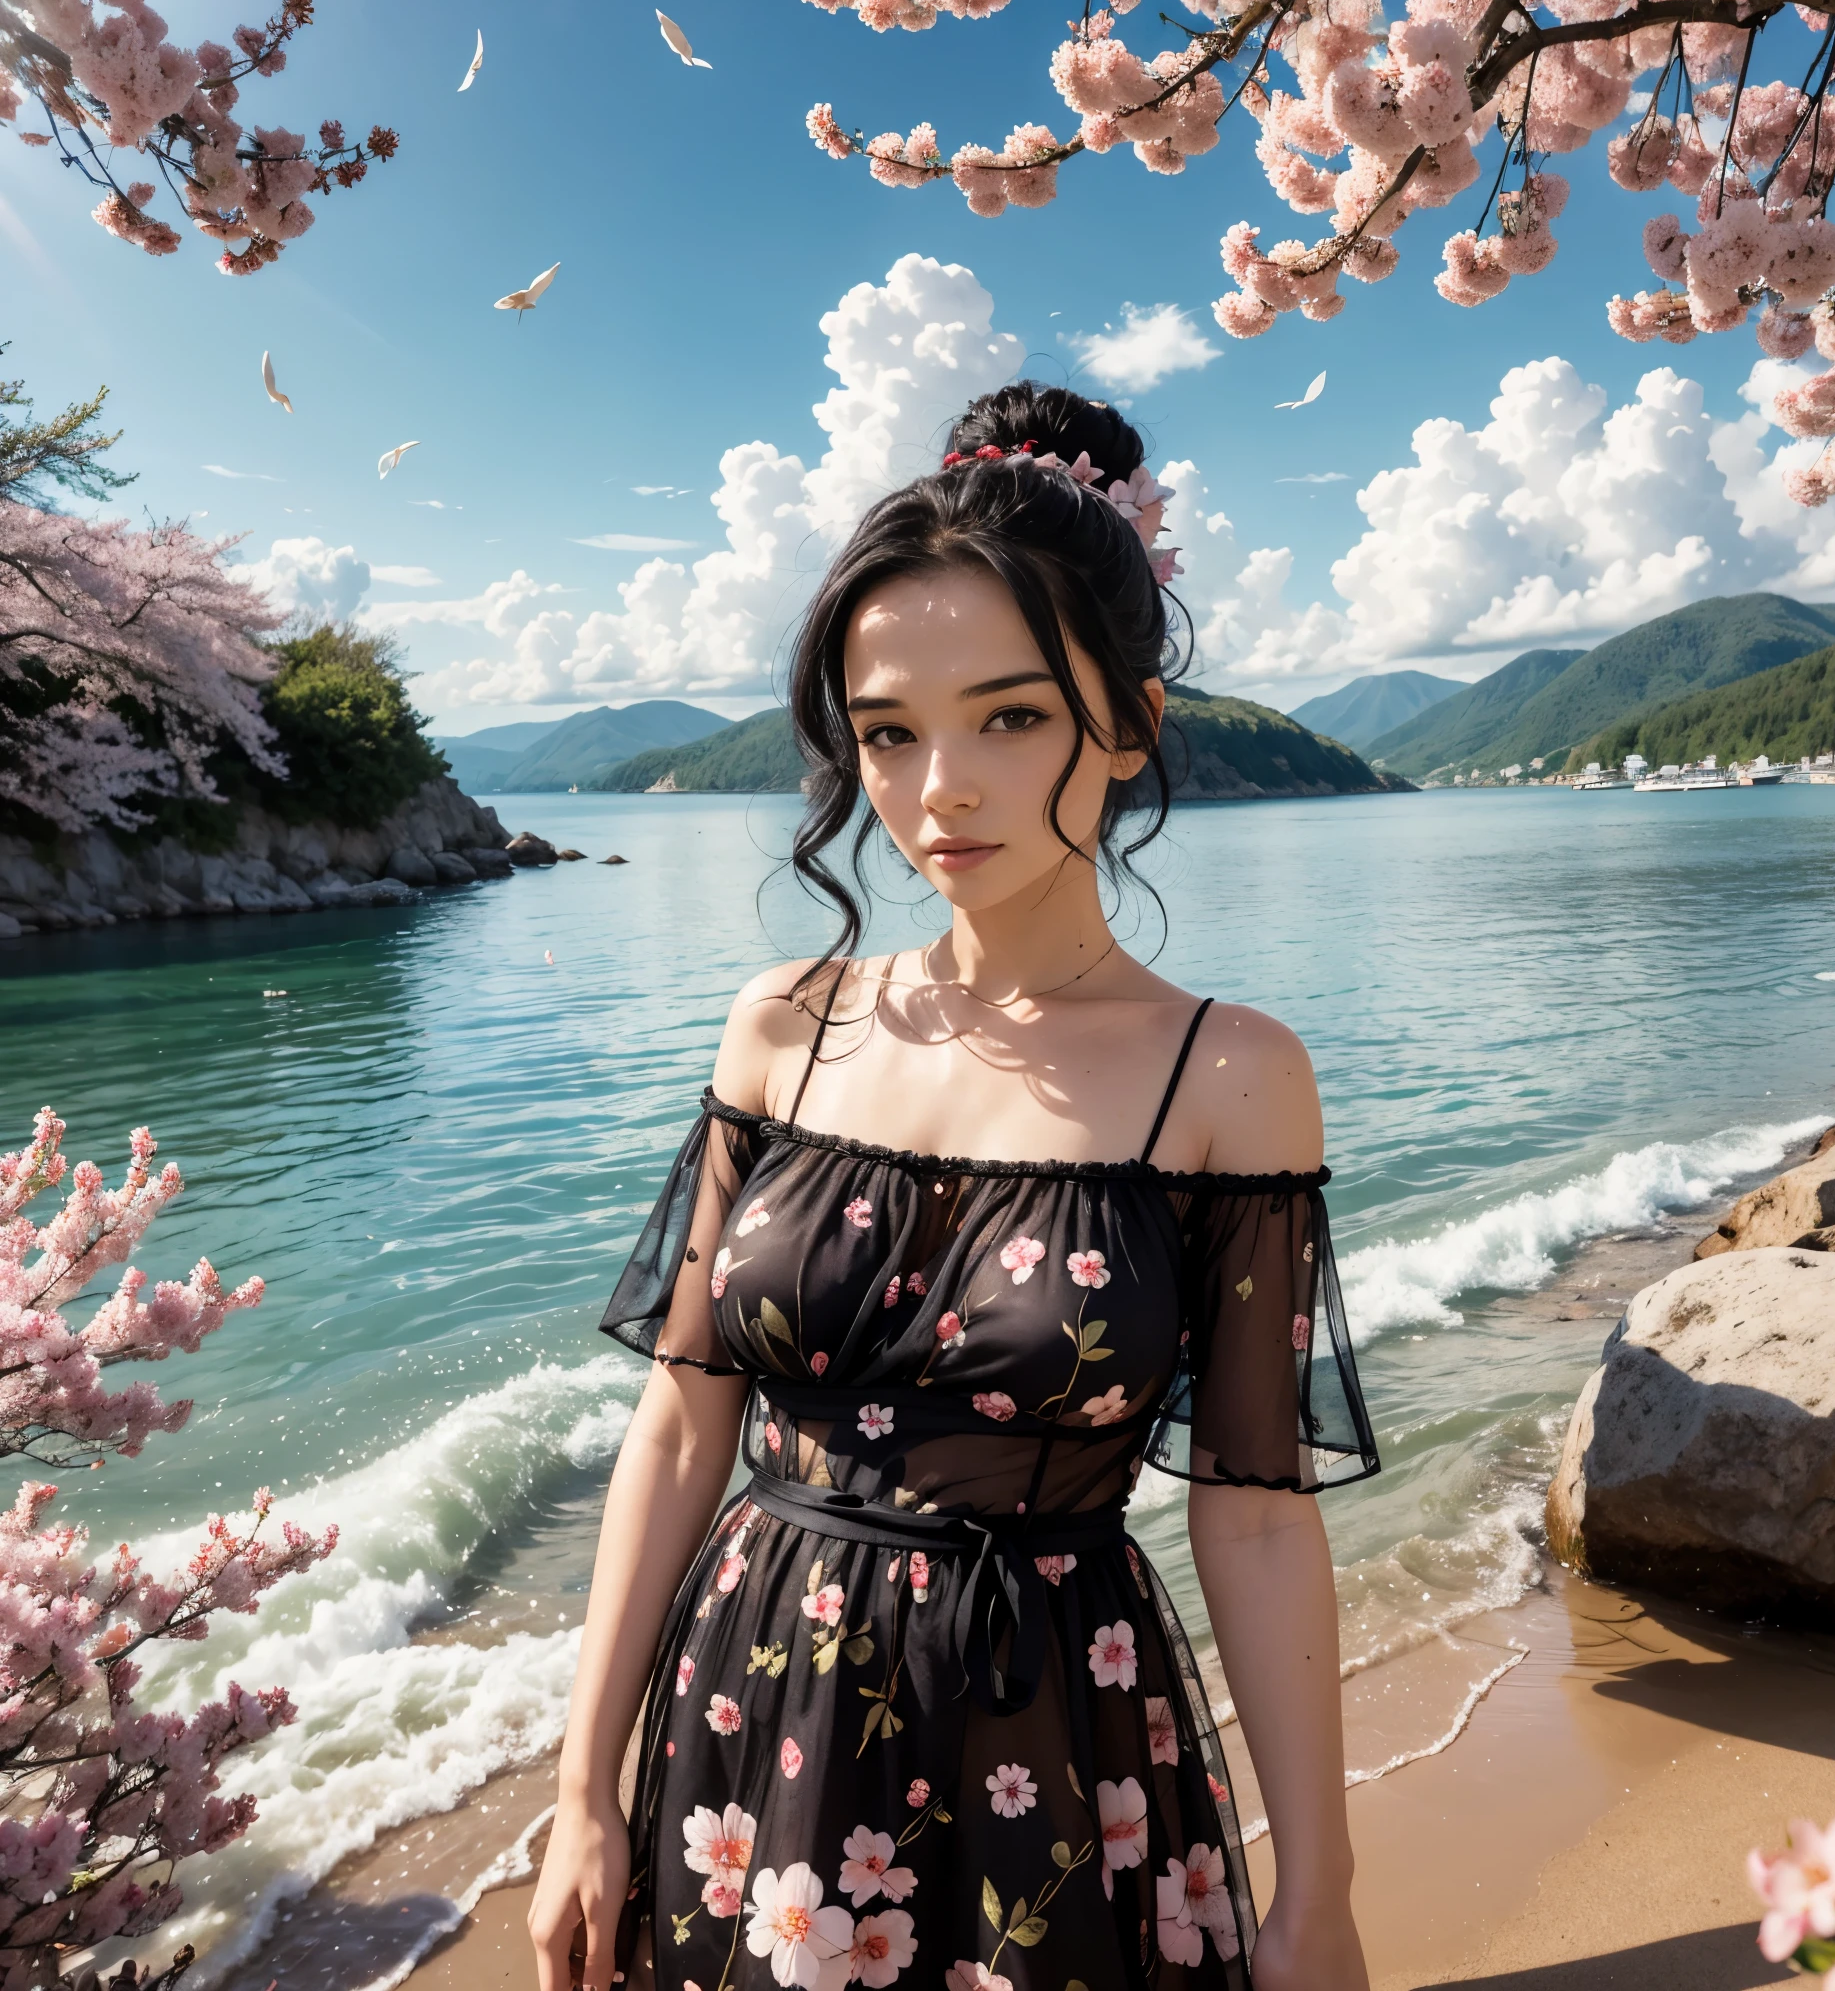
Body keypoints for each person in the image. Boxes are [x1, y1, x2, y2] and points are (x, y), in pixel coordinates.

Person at [529, 383, 1379, 1991]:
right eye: (889, 733)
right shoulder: (784, 1027)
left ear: (1123, 724)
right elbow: (683, 1421)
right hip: (748, 1718)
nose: (940, 793)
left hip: (1049, 1735)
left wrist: (1318, 1887)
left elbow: (1255, 1519)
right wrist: (582, 1791)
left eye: (1011, 716)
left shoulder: (1230, 1078)